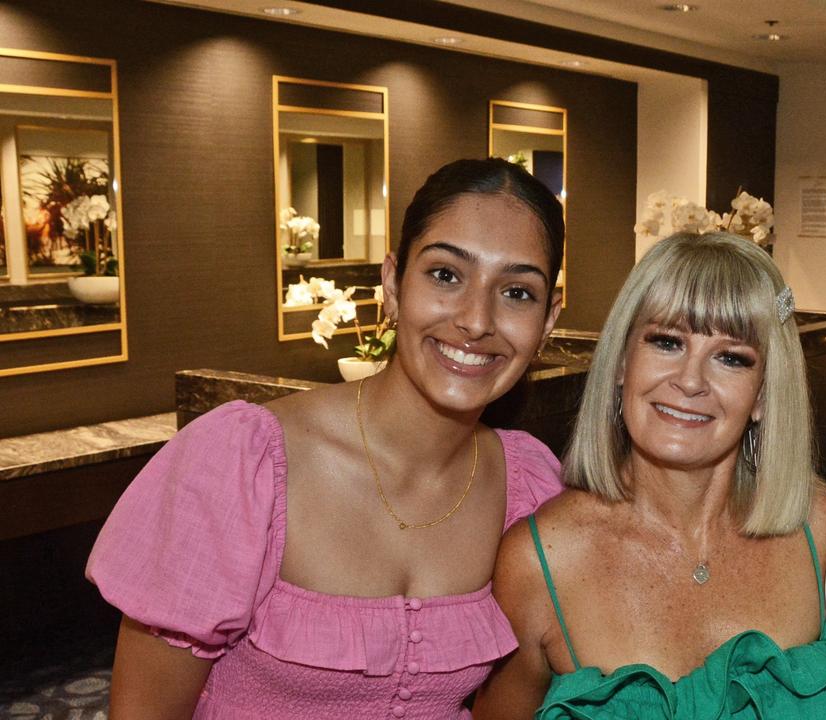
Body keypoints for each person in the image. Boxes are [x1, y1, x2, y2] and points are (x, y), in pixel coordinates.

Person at [86, 158, 567, 719]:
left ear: (549, 319)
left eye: (517, 292)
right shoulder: (245, 462)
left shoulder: (528, 488)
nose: (477, 319)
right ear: (391, 284)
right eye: (445, 275)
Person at [474, 232, 826, 719]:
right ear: (621, 362)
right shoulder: (542, 561)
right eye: (667, 341)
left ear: (763, 395)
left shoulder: (822, 532)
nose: (690, 380)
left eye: (731, 357)